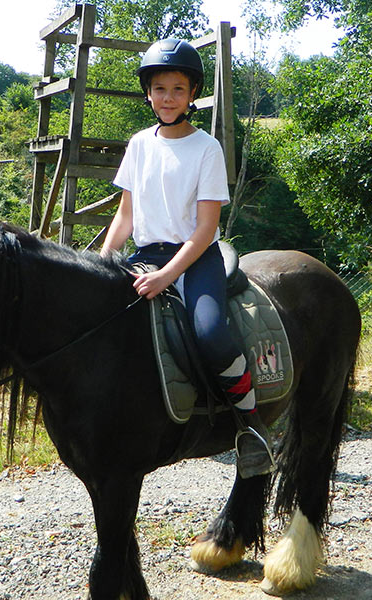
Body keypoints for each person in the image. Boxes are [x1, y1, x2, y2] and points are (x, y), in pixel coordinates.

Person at [99, 38, 274, 479]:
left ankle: (251, 427)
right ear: (148, 92)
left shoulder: (207, 149)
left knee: (210, 331)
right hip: (143, 254)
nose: (168, 97)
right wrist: (102, 260)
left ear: (192, 93)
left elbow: (204, 229)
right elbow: (126, 215)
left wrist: (167, 275)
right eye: (160, 88)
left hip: (195, 259)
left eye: (178, 89)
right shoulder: (139, 143)